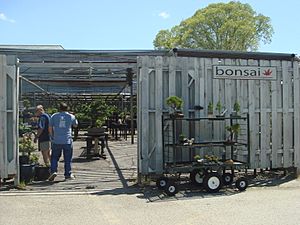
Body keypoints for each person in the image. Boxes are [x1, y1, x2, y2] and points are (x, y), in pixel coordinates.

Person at [48, 102, 78, 181]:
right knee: (67, 158)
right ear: (67, 108)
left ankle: (53, 171)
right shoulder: (71, 116)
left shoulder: (54, 116)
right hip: (67, 140)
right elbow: (75, 125)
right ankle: (67, 174)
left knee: (54, 157)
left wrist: (52, 137)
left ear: (59, 108)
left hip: (56, 140)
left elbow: (50, 127)